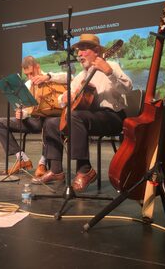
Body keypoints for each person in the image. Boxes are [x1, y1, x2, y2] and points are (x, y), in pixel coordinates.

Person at [32, 34, 133, 192]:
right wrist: (65, 98)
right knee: (51, 123)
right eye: (78, 51)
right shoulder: (80, 76)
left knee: (75, 117)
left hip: (112, 117)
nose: (79, 54)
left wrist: (109, 72)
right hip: (86, 118)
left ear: (96, 51)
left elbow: (128, 88)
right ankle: (56, 170)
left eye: (83, 50)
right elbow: (61, 100)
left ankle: (85, 170)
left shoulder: (111, 64)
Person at [0, 56, 67, 177]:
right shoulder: (27, 84)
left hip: (50, 120)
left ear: (38, 66)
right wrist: (22, 113)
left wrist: (48, 77)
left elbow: (70, 77)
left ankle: (42, 163)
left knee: (49, 122)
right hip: (33, 120)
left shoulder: (51, 77)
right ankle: (22, 159)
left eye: (31, 73)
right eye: (26, 74)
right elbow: (26, 108)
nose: (30, 77)